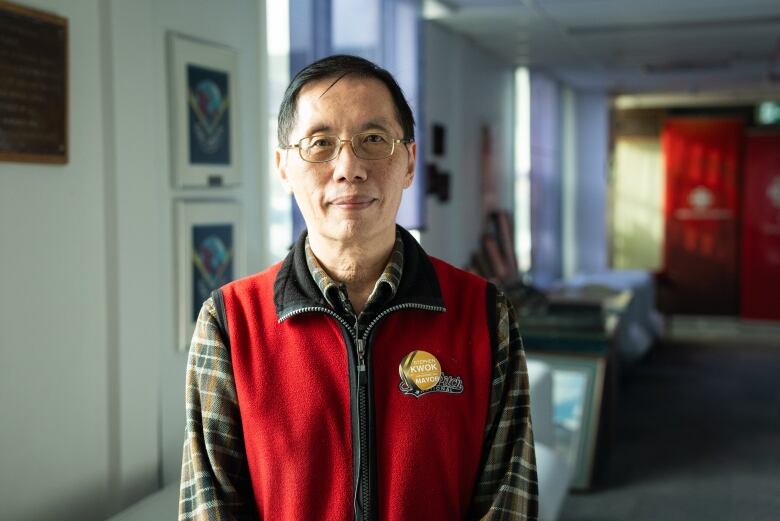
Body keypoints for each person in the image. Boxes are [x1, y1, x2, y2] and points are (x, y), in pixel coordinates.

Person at [179, 54, 538, 521]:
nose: (348, 167)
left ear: (409, 161)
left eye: (373, 140)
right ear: (284, 167)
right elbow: (211, 508)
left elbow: (507, 502)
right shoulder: (230, 322)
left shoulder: (485, 314)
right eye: (320, 143)